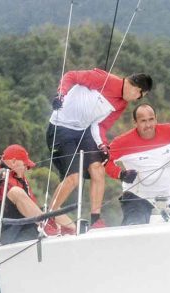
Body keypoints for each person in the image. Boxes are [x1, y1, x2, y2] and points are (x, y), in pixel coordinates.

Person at [45, 68, 153, 232]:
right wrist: (61, 94)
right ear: (138, 90)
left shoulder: (121, 104)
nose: (136, 100)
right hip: (61, 128)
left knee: (98, 169)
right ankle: (49, 218)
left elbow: (100, 125)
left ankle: (95, 219)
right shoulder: (104, 79)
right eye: (140, 97)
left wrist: (102, 145)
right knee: (74, 177)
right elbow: (71, 76)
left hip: (84, 130)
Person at [106, 104, 170, 225]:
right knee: (135, 231)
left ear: (156, 119)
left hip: (168, 196)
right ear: (135, 122)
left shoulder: (169, 130)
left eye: (151, 119)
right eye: (143, 121)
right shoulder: (122, 142)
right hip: (137, 197)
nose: (148, 125)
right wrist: (121, 174)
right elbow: (105, 161)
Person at [0, 145, 45, 246]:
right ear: (13, 162)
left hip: (16, 226)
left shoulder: (22, 180)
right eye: (25, 165)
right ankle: (46, 228)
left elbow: (32, 204)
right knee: (16, 192)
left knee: (51, 210)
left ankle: (69, 231)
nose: (26, 169)